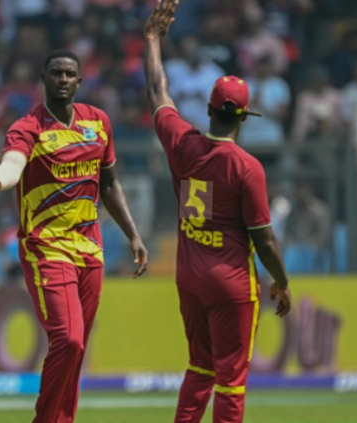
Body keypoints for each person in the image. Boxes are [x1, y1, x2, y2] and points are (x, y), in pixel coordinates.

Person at [0, 49, 149, 423]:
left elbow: (110, 184)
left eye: (70, 74)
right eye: (56, 74)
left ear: (80, 81)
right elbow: (14, 164)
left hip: (90, 248)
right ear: (44, 79)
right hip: (46, 246)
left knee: (75, 351)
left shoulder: (98, 122)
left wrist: (133, 234)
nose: (63, 80)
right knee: (69, 339)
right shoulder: (28, 126)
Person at [143, 2, 292, 423]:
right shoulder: (247, 168)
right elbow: (263, 237)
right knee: (230, 379)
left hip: (189, 278)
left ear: (209, 109)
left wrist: (152, 39)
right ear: (243, 117)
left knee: (199, 367)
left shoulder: (182, 143)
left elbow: (158, 92)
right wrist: (281, 281)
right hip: (230, 284)